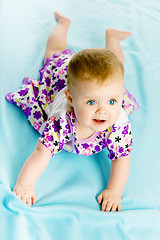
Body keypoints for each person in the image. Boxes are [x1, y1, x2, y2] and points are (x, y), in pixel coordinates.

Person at [5, 11, 139, 211]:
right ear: (71, 99)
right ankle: (62, 24)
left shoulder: (117, 120)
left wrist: (114, 191)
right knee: (54, 52)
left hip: (102, 85)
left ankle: (112, 37)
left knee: (116, 64)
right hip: (61, 76)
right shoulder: (62, 120)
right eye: (91, 103)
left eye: (112, 101)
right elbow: (42, 151)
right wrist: (25, 185)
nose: (103, 112)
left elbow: (122, 158)